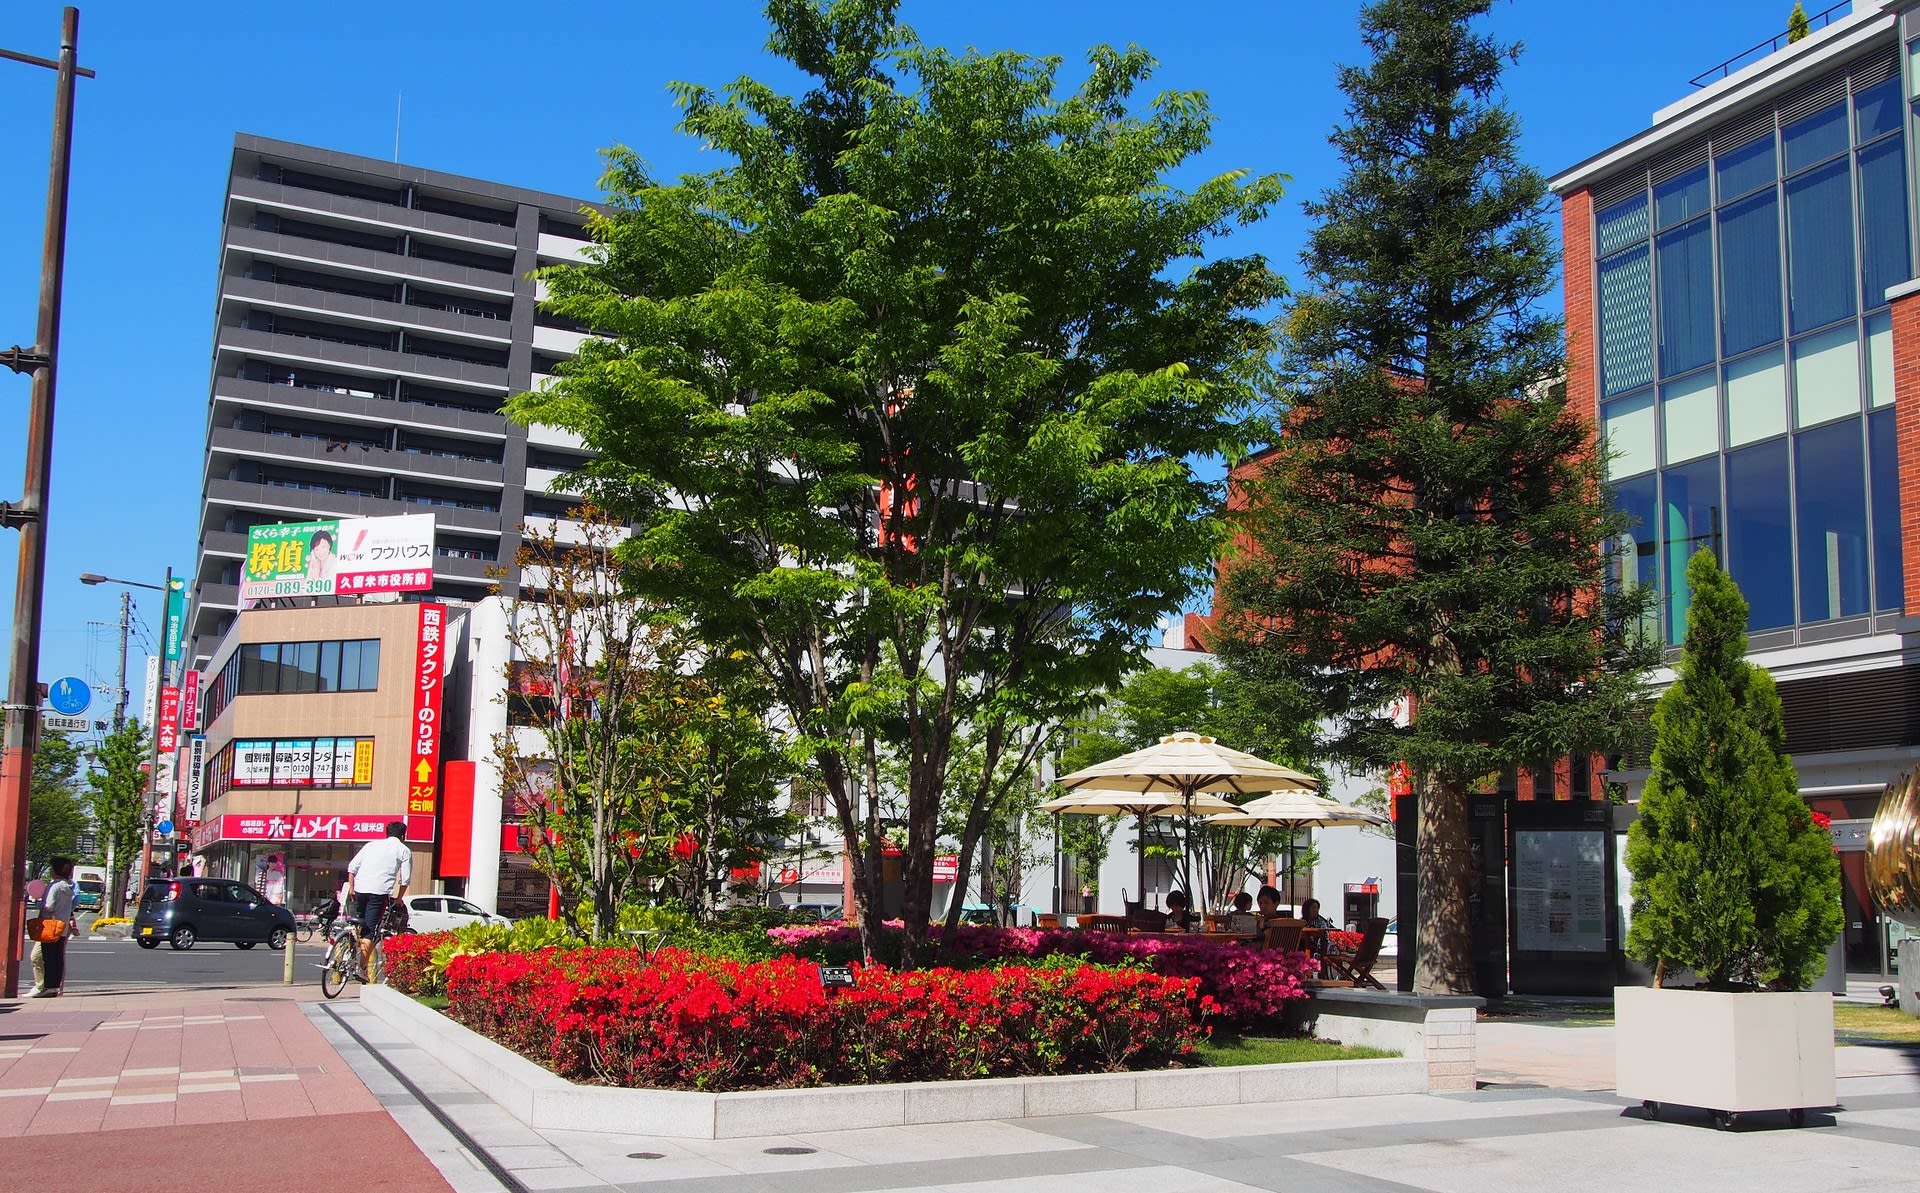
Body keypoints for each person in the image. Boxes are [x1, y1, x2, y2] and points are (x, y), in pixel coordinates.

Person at [343, 822, 411, 980]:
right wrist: (399, 899)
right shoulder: (403, 850)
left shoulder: (370, 845)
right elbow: (405, 880)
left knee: (357, 923)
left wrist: (352, 888)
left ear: (386, 833)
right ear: (403, 836)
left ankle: (347, 950)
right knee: (370, 930)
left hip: (359, 890)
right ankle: (361, 968)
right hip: (379, 893)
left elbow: (352, 867)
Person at [29, 858, 76, 998]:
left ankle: (48, 986)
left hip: (50, 926)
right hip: (62, 926)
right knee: (57, 957)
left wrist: (37, 903)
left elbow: (49, 906)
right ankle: (55, 986)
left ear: (55, 870)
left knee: (48, 957)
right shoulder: (68, 886)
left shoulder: (53, 886)